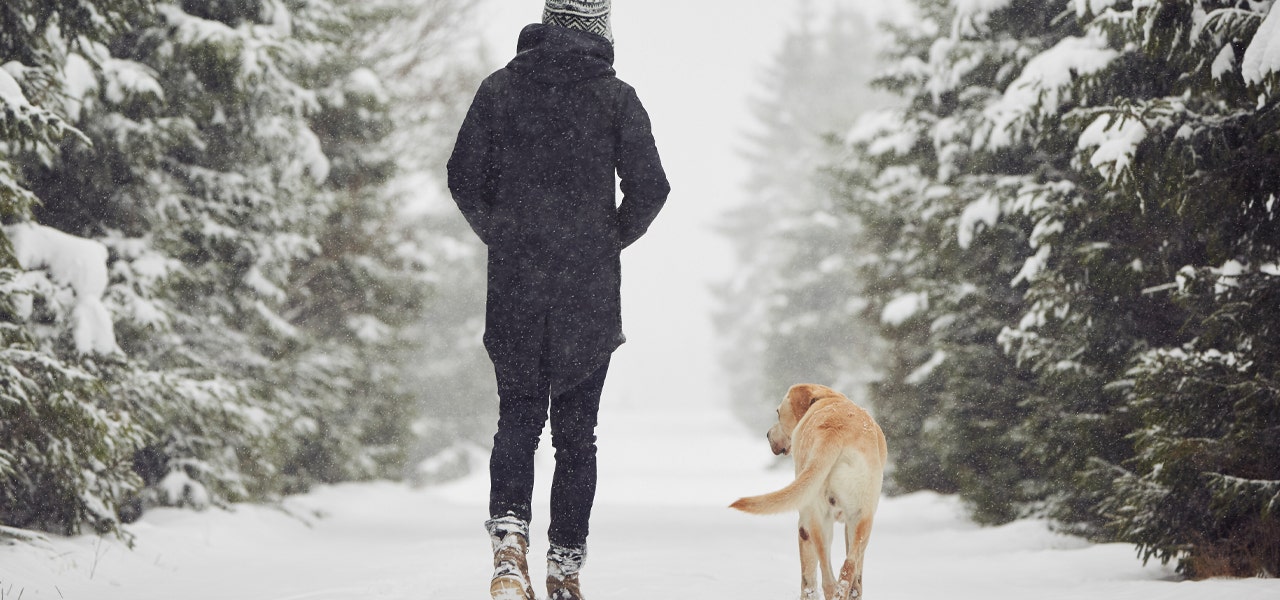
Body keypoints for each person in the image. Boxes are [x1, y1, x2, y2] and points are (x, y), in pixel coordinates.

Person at [446, 1, 670, 599]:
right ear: (599, 31)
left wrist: (503, 232)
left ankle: (508, 548)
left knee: (517, 417)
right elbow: (652, 186)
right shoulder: (616, 97)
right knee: (577, 435)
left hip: (515, 285)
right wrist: (605, 239)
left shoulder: (500, 89)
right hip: (587, 292)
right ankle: (564, 570)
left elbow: (462, 175)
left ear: (546, 24)